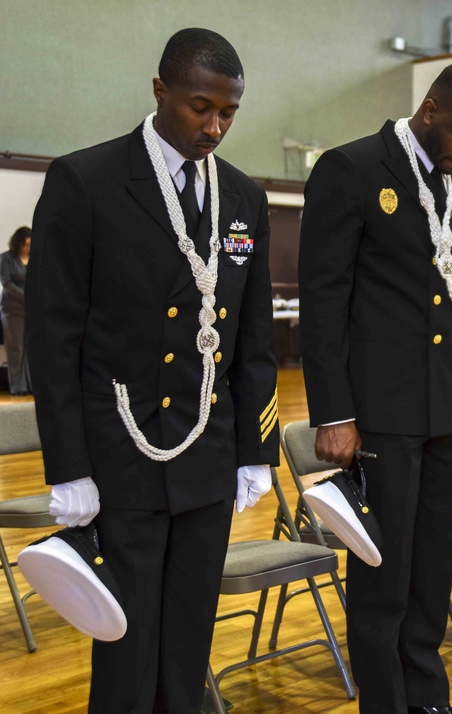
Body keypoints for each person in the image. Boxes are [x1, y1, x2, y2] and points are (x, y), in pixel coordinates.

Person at [26, 28, 278, 712]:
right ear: (161, 90)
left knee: (191, 633)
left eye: (229, 112)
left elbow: (253, 341)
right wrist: (67, 464)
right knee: (128, 636)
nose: (215, 127)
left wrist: (258, 449)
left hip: (207, 447)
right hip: (122, 449)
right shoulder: (88, 180)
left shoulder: (242, 198)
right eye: (201, 107)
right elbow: (53, 338)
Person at [299, 61, 452, 714]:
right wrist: (334, 413)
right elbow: (324, 301)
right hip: (381, 411)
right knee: (383, 573)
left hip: (446, 405)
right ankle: (384, 703)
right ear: (432, 108)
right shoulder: (352, 169)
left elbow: (451, 300)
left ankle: (427, 693)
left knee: (432, 565)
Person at [1, 226, 31, 394]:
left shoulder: (34, 257)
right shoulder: (6, 258)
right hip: (12, 310)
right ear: (18, 243)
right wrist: (27, 295)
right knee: (16, 349)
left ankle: (30, 385)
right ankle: (18, 388)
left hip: (31, 310)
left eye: (30, 245)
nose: (28, 248)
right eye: (25, 244)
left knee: (29, 347)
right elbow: (7, 284)